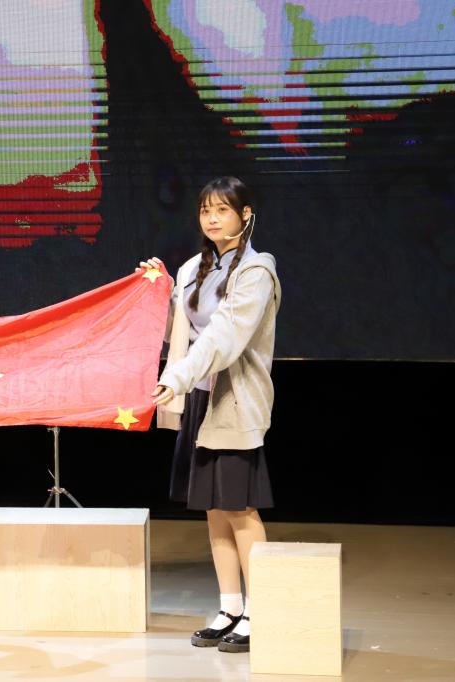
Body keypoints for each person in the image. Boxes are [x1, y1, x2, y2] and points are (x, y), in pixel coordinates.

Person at [138, 176, 280, 654]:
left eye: (222, 210)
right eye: (205, 210)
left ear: (245, 215)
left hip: (234, 400)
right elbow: (176, 333)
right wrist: (154, 292)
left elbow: (224, 338)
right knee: (214, 508)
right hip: (199, 396)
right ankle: (230, 607)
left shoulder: (256, 271)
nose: (212, 219)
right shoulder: (191, 270)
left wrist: (175, 377)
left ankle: (260, 611)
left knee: (239, 507)